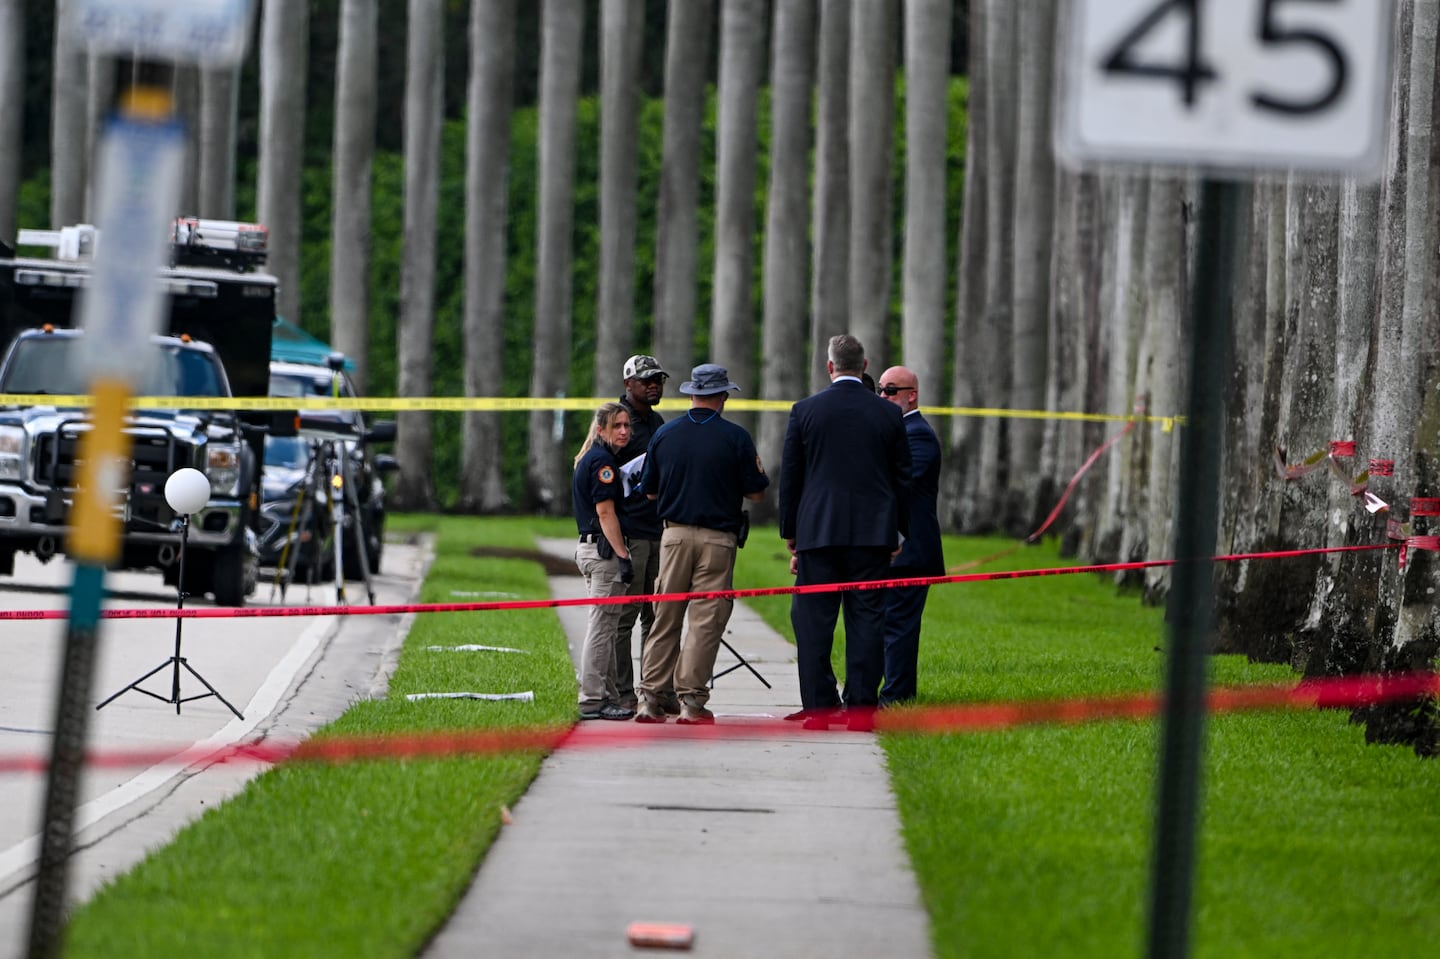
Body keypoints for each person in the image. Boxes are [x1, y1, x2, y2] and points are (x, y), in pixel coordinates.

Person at [779, 334, 911, 731]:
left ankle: (819, 709)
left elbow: (792, 478)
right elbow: (902, 477)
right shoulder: (888, 415)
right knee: (867, 621)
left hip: (818, 532)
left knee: (813, 621)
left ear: (830, 366)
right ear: (865, 365)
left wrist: (791, 532)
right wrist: (898, 531)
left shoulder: (805, 411)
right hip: (872, 535)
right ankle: (861, 711)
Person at [635, 364, 770, 724]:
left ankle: (650, 697)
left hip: (674, 536)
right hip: (718, 539)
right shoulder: (736, 438)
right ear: (723, 396)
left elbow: (648, 490)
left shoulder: (666, 435)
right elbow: (756, 492)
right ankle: (691, 702)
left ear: (691, 393)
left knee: (665, 618)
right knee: (705, 621)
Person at [612, 354, 681, 716]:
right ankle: (624, 691)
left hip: (659, 530)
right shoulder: (617, 422)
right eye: (646, 379)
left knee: (658, 616)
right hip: (630, 533)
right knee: (626, 617)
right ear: (628, 384)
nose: (654, 385)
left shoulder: (657, 422)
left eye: (659, 379)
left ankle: (656, 690)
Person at [876, 366, 945, 705]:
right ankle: (879, 694)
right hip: (889, 549)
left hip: (912, 550)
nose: (884, 396)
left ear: (911, 394)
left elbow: (900, 485)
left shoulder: (918, 434)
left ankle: (897, 697)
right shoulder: (895, 432)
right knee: (882, 625)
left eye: (891, 390)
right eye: (880, 390)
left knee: (899, 627)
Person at [571, 402, 637, 721]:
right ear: (601, 430)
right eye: (616, 426)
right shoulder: (602, 463)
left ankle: (608, 695)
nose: (623, 431)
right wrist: (623, 554)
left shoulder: (592, 457)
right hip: (604, 553)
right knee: (601, 627)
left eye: (626, 425)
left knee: (606, 626)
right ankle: (592, 699)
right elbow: (605, 512)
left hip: (591, 549)